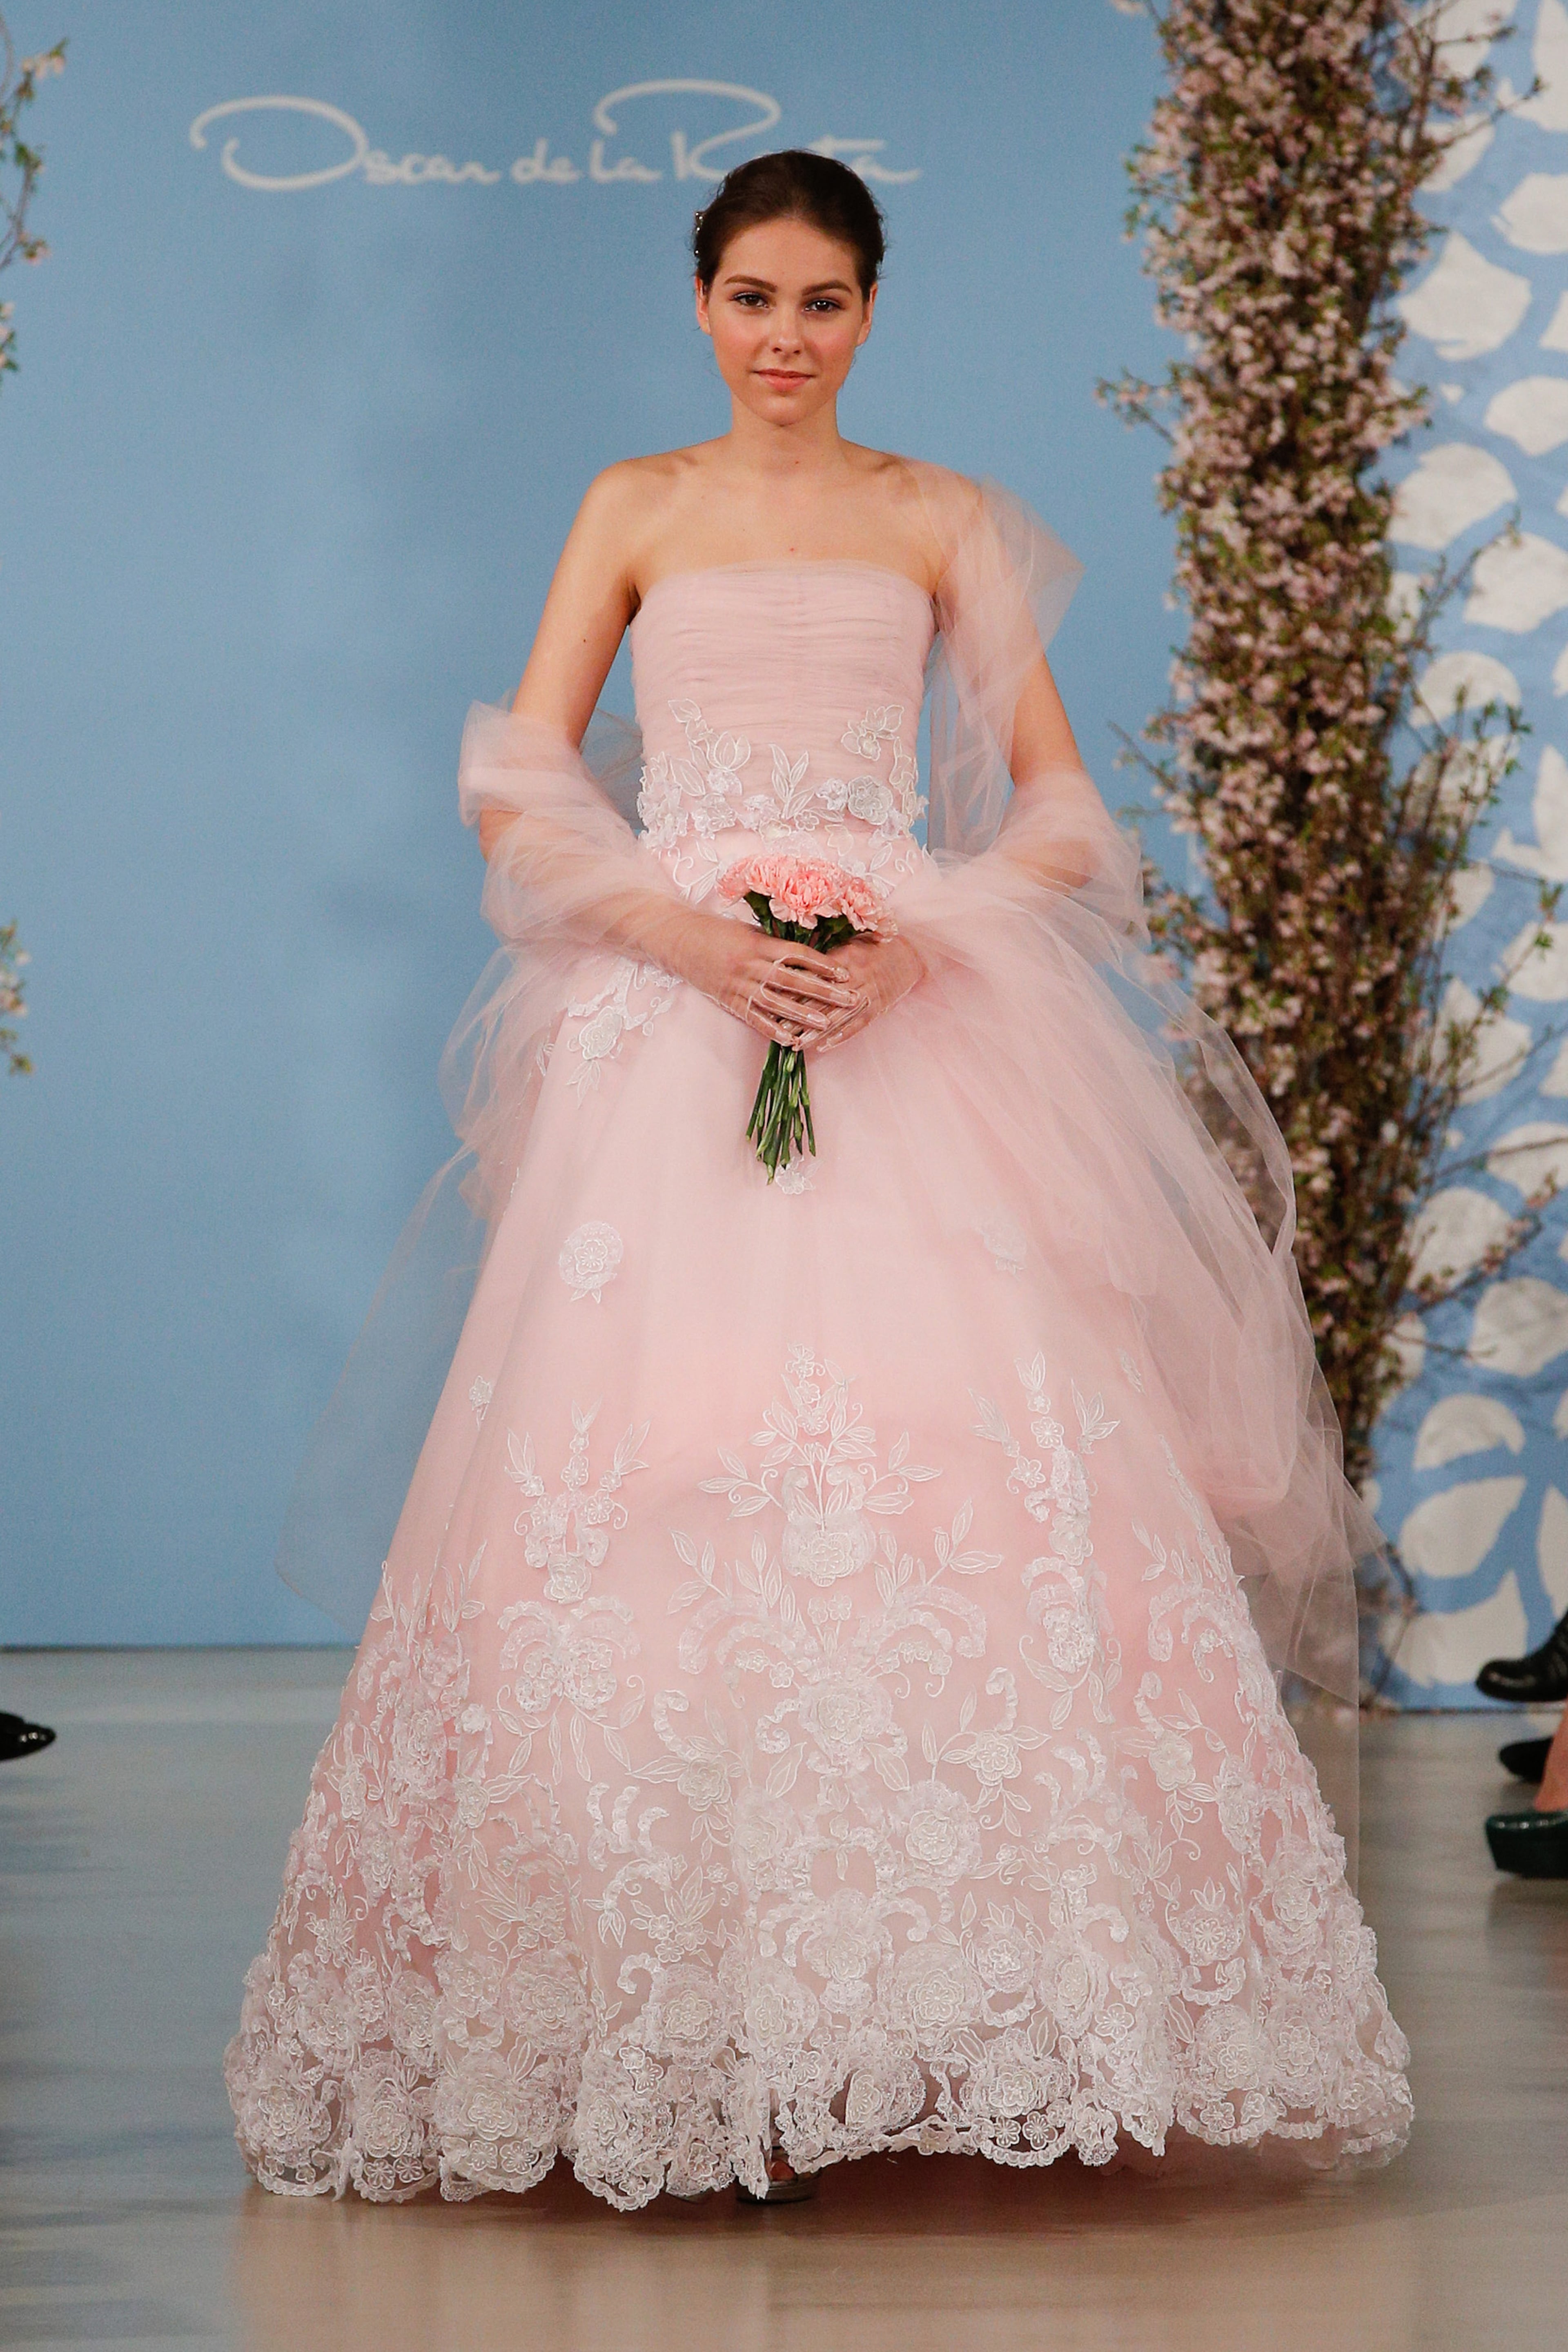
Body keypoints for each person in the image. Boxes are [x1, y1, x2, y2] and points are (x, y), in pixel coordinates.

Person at [224, 151, 1412, 2209]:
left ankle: (960, 2008)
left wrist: (912, 938)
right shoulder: (637, 503)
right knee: (660, 1475)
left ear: (874, 312)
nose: (788, 337)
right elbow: (524, 779)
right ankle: (656, 2012)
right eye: (755, 297)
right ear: (703, 302)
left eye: (826, 302)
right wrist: (689, 937)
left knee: (955, 1466)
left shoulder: (940, 518)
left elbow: (1061, 810)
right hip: (670, 1024)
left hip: (905, 1023)